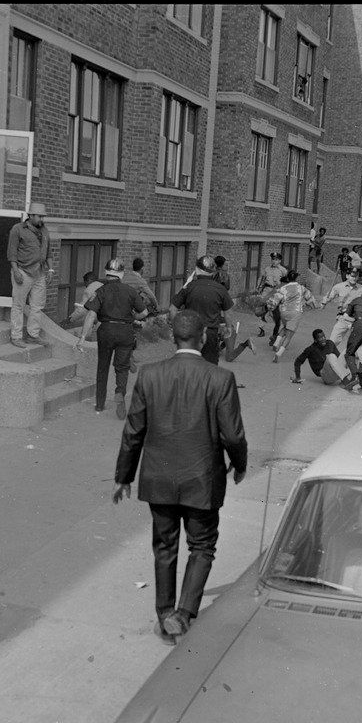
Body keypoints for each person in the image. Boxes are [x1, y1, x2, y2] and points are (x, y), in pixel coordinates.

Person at [112, 309, 248, 645]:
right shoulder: (220, 378)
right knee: (202, 546)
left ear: (174, 337)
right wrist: (240, 464)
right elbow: (232, 435)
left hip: (158, 478)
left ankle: (164, 613)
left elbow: (133, 431)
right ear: (203, 338)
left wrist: (123, 477)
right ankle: (183, 614)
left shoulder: (149, 375)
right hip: (203, 478)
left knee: (164, 547)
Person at [77, 259, 148, 418]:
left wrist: (82, 337)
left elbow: (91, 314)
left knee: (102, 367)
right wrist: (133, 316)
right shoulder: (130, 291)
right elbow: (144, 313)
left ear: (106, 272)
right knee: (122, 367)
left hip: (106, 330)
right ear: (122, 273)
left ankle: (100, 404)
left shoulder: (101, 291)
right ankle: (120, 392)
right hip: (125, 331)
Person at [170, 255, 234, 366]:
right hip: (210, 333)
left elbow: (172, 309)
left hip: (190, 332)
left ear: (196, 270)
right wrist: (228, 327)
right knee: (210, 367)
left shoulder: (189, 287)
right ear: (212, 272)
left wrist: (176, 328)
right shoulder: (220, 289)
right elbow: (228, 312)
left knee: (189, 365)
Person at [7, 201, 55, 348]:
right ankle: (16, 337)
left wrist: (50, 269)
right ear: (31, 215)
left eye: (43, 216)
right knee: (18, 305)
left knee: (37, 306)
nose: (42, 219)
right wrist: (16, 271)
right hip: (23, 271)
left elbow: (48, 252)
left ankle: (33, 335)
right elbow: (12, 252)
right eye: (39, 216)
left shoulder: (45, 230)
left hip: (40, 273)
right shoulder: (17, 229)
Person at [267, 269, 317, 362]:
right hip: (296, 312)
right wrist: (310, 304)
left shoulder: (283, 288)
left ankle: (277, 341)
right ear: (296, 278)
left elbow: (274, 300)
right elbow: (310, 298)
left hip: (284, 312)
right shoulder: (301, 288)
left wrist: (270, 309)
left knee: (285, 327)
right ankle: (279, 353)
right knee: (289, 334)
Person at [122, 258, 159, 373]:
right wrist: (156, 306)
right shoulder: (140, 281)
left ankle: (127, 354)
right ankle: (129, 355)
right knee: (134, 329)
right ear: (142, 269)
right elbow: (151, 296)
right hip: (132, 309)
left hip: (121, 307)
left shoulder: (125, 277)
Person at [291, 329, 355, 387]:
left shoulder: (330, 343)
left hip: (337, 372)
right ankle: (346, 380)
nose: (323, 339)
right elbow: (298, 361)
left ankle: (357, 376)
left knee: (350, 350)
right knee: (331, 356)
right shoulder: (310, 349)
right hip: (327, 376)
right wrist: (298, 377)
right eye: (320, 338)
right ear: (315, 340)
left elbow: (338, 358)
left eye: (324, 336)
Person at [322, 269, 362, 350]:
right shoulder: (339, 287)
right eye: (352, 276)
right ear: (347, 276)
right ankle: (326, 360)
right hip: (343, 318)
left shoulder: (361, 288)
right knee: (332, 342)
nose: (354, 278)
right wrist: (324, 301)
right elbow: (329, 296)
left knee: (358, 345)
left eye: (356, 276)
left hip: (356, 320)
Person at [254, 252, 287, 338]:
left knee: (276, 312)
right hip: (267, 291)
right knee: (263, 310)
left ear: (280, 260)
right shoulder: (267, 269)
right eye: (272, 259)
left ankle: (276, 331)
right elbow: (261, 279)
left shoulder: (283, 270)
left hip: (277, 292)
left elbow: (286, 282)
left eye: (276, 259)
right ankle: (261, 329)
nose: (274, 261)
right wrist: (258, 289)